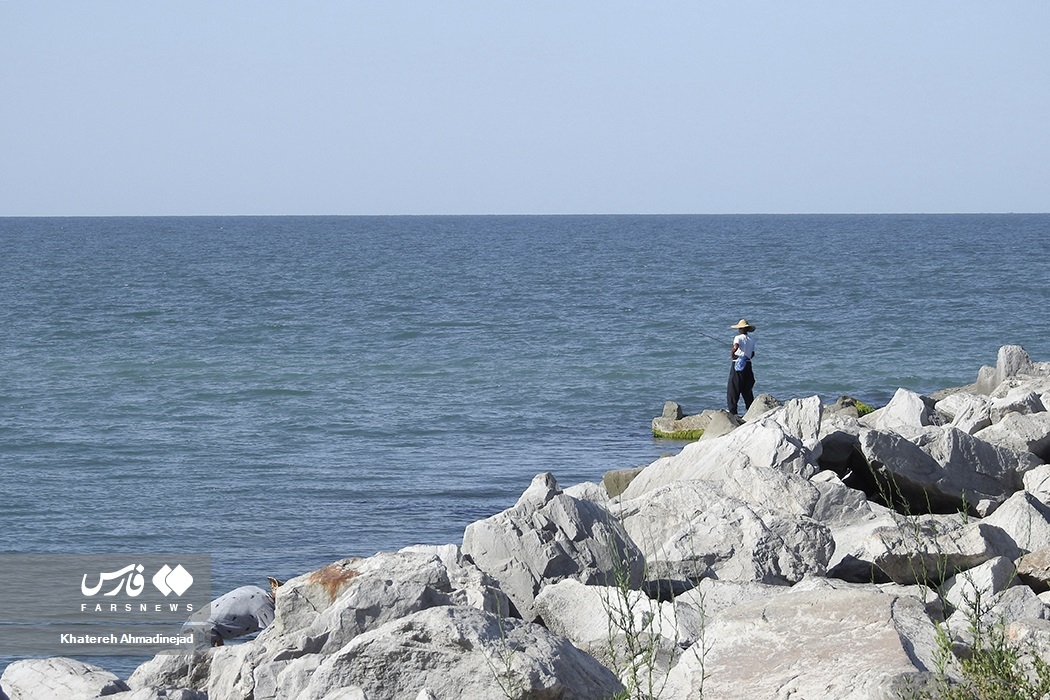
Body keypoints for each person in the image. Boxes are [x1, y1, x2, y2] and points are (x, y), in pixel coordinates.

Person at [185, 576, 283, 646]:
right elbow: (280, 634)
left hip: (193, 625)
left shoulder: (255, 590)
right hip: (201, 632)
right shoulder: (265, 608)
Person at [727, 319, 756, 415]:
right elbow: (752, 354)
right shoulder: (751, 340)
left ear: (741, 329)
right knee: (747, 390)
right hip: (748, 365)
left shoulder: (738, 338)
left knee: (733, 389)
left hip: (737, 365)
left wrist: (732, 354)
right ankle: (751, 411)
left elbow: (735, 347)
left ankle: (733, 412)